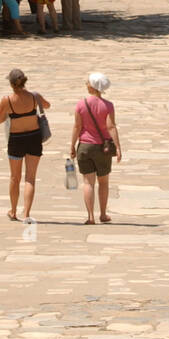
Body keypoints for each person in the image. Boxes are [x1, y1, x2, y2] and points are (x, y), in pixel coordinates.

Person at [0, 68, 50, 222]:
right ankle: (26, 213)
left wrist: (9, 113)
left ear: (11, 84)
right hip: (34, 137)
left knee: (14, 177)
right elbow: (47, 105)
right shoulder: (34, 96)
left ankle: (13, 210)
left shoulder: (7, 100)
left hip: (16, 138)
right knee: (30, 178)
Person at [70, 71, 122, 225]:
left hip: (85, 146)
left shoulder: (81, 104)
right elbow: (111, 127)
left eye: (88, 82)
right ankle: (103, 214)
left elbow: (77, 126)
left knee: (88, 183)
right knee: (103, 182)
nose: (86, 84)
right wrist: (118, 147)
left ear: (92, 86)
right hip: (102, 148)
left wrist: (72, 144)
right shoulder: (108, 105)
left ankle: (90, 216)